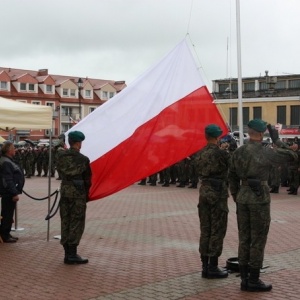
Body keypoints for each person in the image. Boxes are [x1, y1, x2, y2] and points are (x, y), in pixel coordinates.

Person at [228, 119, 298, 292]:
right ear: (261, 133)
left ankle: (244, 279)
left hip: (243, 196)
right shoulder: (266, 152)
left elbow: (231, 176)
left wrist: (237, 195)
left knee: (244, 237)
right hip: (259, 198)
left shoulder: (238, 151)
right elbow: (293, 156)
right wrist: (277, 140)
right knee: (258, 239)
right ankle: (253, 279)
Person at [196, 124, 230, 279]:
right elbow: (230, 169)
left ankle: (204, 266)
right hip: (218, 194)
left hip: (204, 192)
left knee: (206, 229)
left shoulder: (200, 153)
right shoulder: (221, 154)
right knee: (217, 230)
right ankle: (213, 266)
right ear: (218, 137)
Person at [57, 131, 92, 264]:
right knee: (76, 222)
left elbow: (57, 147)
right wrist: (86, 194)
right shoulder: (83, 159)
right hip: (78, 194)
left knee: (65, 220)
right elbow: (87, 179)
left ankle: (67, 253)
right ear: (79, 143)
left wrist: (61, 140)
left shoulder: (60, 156)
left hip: (65, 192)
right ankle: (72, 254)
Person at [0, 141, 25, 243]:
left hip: (9, 191)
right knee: (7, 214)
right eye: (13, 148)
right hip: (8, 192)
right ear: (9, 150)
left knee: (9, 213)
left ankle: (7, 232)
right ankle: (5, 235)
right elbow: (7, 179)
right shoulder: (6, 162)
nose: (15, 150)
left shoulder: (8, 160)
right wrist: (14, 193)